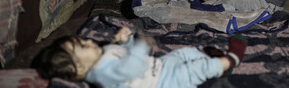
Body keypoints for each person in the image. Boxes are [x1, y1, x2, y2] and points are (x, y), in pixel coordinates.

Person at [32, 27, 247, 88]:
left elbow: (123, 54)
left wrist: (125, 42)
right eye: (83, 46)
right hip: (164, 83)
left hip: (160, 66)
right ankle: (229, 61)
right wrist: (140, 46)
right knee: (191, 71)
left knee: (180, 53)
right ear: (79, 69)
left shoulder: (103, 55)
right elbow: (129, 69)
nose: (89, 41)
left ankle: (210, 57)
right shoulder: (100, 74)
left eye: (84, 40)